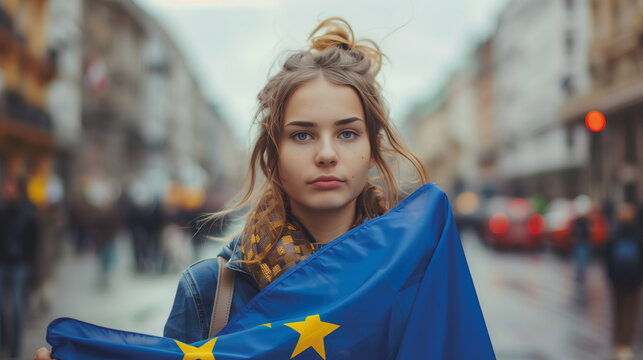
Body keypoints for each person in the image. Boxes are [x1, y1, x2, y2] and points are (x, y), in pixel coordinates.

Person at [35, 17, 488, 358]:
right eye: (302, 134)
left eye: (347, 133)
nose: (326, 153)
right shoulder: (211, 290)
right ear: (273, 155)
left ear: (372, 149)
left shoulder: (411, 271)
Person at [0, 177, 39, 359]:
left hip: (20, 266)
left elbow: (35, 244)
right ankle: (4, 339)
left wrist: (31, 268)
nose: (6, 191)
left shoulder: (29, 213)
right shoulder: (3, 212)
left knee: (16, 307)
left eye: (10, 188)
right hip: (3, 263)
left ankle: (15, 347)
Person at [603, 203, 642, 360]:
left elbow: (606, 258)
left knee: (617, 312)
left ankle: (618, 344)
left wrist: (611, 277)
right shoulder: (638, 236)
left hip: (617, 280)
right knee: (631, 313)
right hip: (633, 281)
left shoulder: (614, 235)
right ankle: (625, 346)